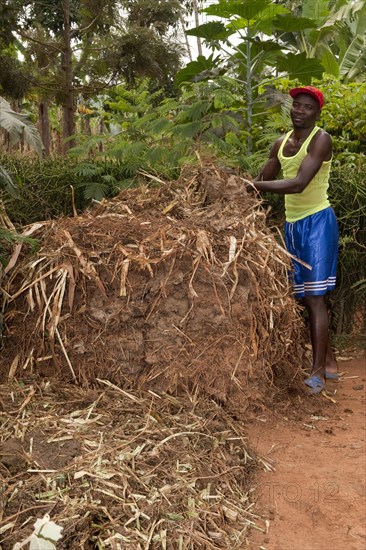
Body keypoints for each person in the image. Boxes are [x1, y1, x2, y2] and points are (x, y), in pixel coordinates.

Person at [243, 85, 339, 395]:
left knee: (314, 297)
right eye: (296, 105)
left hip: (317, 222)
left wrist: (256, 187)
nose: (300, 110)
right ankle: (330, 359)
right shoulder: (280, 143)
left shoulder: (321, 140)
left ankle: (317, 373)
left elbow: (298, 184)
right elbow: (263, 178)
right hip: (293, 225)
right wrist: (239, 188)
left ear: (317, 113)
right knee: (302, 296)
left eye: (307, 107)